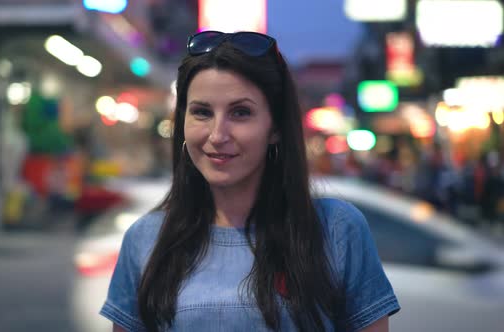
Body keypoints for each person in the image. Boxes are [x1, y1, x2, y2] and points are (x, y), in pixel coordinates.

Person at [100, 31, 400, 331]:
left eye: (240, 113)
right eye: (202, 112)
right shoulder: (145, 239)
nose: (218, 135)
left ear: (276, 128)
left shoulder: (336, 230)